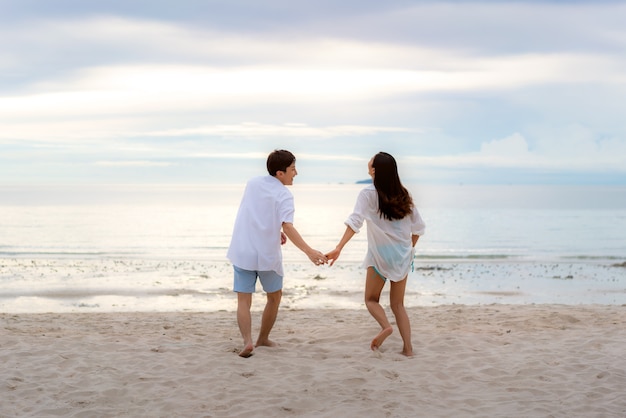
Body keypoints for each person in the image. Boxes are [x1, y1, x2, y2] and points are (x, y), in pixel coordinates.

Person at [227, 149, 328, 357]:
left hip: (243, 249)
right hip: (266, 255)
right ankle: (262, 338)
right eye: (292, 169)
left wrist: (275, 231)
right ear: (280, 173)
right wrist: (309, 251)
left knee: (243, 300)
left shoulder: (252, 183)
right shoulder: (284, 195)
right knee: (274, 297)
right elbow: (288, 226)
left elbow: (254, 213)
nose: (296, 173)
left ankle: (247, 341)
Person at [326, 152, 425, 356]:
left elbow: (355, 222)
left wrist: (339, 247)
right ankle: (408, 348)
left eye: (371, 162)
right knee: (398, 305)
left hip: (379, 255)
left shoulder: (368, 193)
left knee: (371, 299)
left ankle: (386, 327)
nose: (368, 163)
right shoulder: (404, 194)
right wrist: (409, 249)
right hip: (402, 255)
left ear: (374, 170)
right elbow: (418, 228)